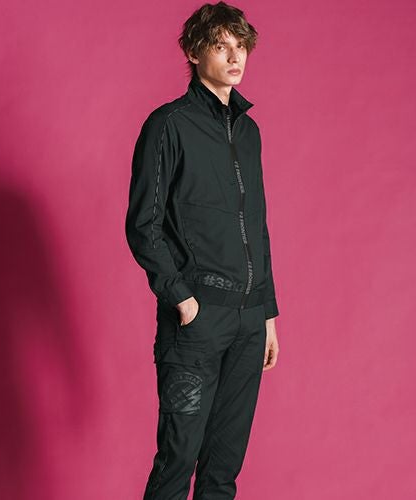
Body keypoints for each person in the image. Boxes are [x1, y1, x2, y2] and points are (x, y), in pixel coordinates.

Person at [125, 2, 280, 498]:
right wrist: (181, 298)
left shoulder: (250, 133)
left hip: (248, 320)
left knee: (223, 470)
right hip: (196, 320)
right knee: (178, 460)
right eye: (221, 46)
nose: (235, 57)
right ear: (194, 53)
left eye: (241, 47)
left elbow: (257, 227)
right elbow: (143, 224)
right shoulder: (168, 125)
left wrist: (267, 314)